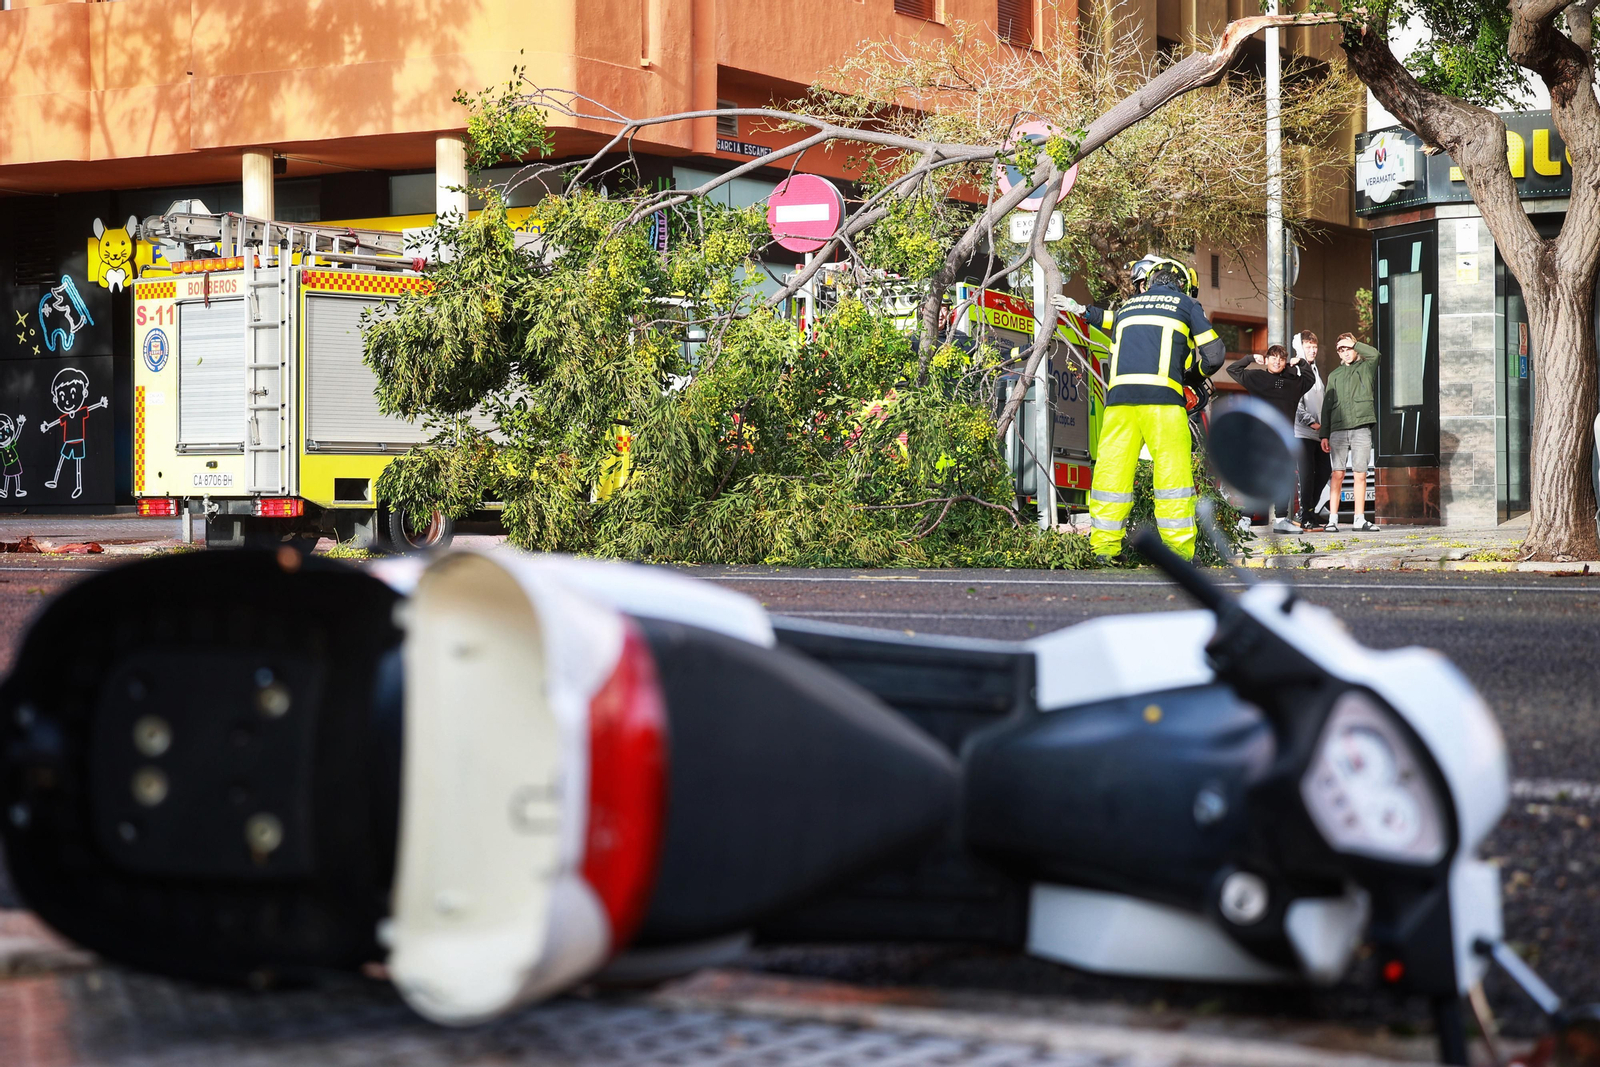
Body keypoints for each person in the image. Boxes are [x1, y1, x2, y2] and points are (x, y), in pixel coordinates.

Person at [1059, 257, 1226, 560]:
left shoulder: (1128, 307)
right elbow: (1215, 355)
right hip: (1162, 402)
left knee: (1112, 474)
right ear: (1184, 285)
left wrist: (1082, 310)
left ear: (1149, 281)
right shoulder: (1186, 305)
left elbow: (1105, 319)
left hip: (1119, 402)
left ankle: (1104, 549)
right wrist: (1192, 377)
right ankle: (1179, 554)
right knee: (1172, 479)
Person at [1226, 342, 1313, 532]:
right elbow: (1232, 369)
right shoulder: (1256, 377)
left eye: (1281, 359)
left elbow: (1310, 378)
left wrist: (1301, 363)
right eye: (1273, 357)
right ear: (1266, 360)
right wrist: (1250, 358)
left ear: (1285, 362)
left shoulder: (1294, 384)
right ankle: (1245, 519)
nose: (1277, 361)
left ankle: (1281, 519)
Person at [1319, 332, 1381, 532]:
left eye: (1348, 348)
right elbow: (1327, 406)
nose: (1345, 353)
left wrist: (1355, 343)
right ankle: (1333, 520)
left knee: (1360, 474)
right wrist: (1324, 434)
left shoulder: (1366, 368)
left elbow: (1375, 355)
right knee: (1337, 473)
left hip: (1361, 427)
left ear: (1354, 348)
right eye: (1341, 349)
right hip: (1338, 429)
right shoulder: (1334, 375)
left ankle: (1359, 519)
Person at [1293, 331, 1330, 529]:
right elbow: (1296, 403)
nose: (1313, 350)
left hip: (1319, 434)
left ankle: (1308, 511)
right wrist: (1312, 423)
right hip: (1303, 432)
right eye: (1308, 347)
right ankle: (1306, 515)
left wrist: (1324, 428)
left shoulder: (1315, 369)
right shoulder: (1297, 371)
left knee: (1324, 471)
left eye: (1314, 347)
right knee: (1306, 474)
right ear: (1300, 348)